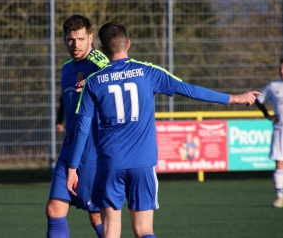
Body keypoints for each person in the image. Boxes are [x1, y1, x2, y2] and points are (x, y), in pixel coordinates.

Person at [66, 21, 260, 238]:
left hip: (110, 163)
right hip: (143, 163)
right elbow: (188, 89)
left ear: (102, 49)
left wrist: (73, 168)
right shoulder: (148, 72)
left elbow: (82, 130)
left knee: (111, 230)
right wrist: (234, 98)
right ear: (128, 43)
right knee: (144, 230)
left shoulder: (93, 82)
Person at [46, 14, 109, 237]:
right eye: (71, 39)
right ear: (64, 39)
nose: (76, 44)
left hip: (93, 150)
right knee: (54, 210)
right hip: (69, 148)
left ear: (90, 38)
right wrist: (60, 120)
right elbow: (65, 99)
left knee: (96, 216)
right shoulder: (66, 68)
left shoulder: (102, 65)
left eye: (81, 39)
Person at [255, 58, 283, 208]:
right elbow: (259, 100)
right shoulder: (274, 86)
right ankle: (280, 196)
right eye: (280, 68)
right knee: (279, 162)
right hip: (280, 129)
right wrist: (267, 115)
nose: (282, 71)